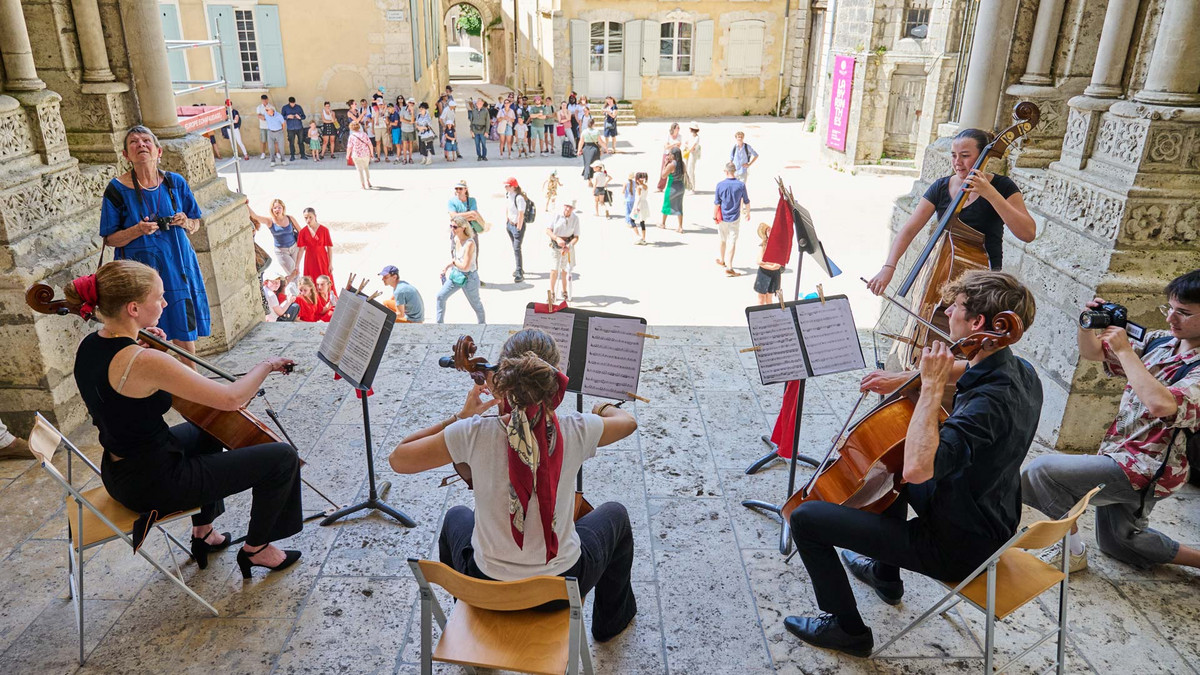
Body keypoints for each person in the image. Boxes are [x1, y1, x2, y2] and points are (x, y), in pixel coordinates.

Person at [785, 270, 1041, 658]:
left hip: (957, 546)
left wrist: (932, 387)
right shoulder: (1021, 372)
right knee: (889, 459)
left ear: (977, 324)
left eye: (955, 307)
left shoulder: (989, 405)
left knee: (806, 518)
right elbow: (968, 370)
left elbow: (919, 469)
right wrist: (909, 377)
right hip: (990, 515)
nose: (946, 312)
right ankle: (887, 577)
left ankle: (847, 630)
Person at [388, 328, 638, 643]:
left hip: (486, 587)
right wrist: (602, 409)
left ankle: (471, 624)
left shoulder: (472, 433)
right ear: (555, 379)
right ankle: (609, 624)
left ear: (502, 377)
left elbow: (398, 459)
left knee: (455, 517)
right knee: (615, 514)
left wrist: (459, 417)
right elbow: (629, 422)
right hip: (561, 589)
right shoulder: (577, 429)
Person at [67, 260, 303, 578]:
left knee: (208, 429)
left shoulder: (93, 345)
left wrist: (143, 345)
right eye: (159, 297)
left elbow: (122, 392)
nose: (164, 303)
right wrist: (267, 365)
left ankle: (203, 531)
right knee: (282, 458)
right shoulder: (144, 360)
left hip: (120, 471)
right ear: (134, 308)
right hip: (156, 482)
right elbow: (232, 399)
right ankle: (257, 549)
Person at [1022, 270, 1200, 572]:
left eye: (1184, 313)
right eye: (1169, 308)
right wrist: (1086, 324)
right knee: (1120, 541)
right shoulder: (1161, 342)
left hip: (1147, 467)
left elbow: (1161, 404)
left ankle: (1071, 552)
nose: (1171, 319)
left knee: (1042, 473)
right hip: (1119, 451)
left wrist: (1124, 349)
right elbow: (1092, 352)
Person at [865, 128, 1037, 294]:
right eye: (954, 155)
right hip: (941, 274)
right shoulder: (941, 187)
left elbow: (1028, 234)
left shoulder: (1003, 186)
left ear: (982, 157)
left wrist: (991, 194)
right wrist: (888, 267)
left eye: (965, 156)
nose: (957, 162)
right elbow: (909, 230)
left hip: (984, 282)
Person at [101, 126, 210, 357]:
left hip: (177, 266)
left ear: (158, 151)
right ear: (126, 155)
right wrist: (137, 230)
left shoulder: (174, 183)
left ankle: (191, 386)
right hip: (140, 274)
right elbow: (110, 238)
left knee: (184, 331)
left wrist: (185, 222)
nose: (141, 145)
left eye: (146, 141)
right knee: (145, 334)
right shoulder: (116, 189)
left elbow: (196, 222)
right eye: (133, 142)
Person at [436, 216, 486, 324]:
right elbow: (457, 259)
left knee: (476, 304)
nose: (452, 229)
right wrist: (447, 267)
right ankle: (439, 325)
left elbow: (465, 266)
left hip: (469, 278)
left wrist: (453, 263)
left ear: (463, 227)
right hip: (456, 275)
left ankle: (482, 325)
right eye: (451, 226)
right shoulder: (456, 239)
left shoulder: (470, 244)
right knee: (440, 296)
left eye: (455, 227)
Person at [250, 199, 301, 282]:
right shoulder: (270, 221)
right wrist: (246, 204)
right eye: (275, 208)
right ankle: (298, 291)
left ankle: (294, 291)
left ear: (283, 208)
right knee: (294, 273)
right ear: (272, 210)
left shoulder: (289, 218)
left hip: (294, 248)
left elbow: (301, 232)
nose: (277, 210)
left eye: (279, 207)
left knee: (295, 272)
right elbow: (256, 217)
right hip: (282, 252)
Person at [714, 162, 750, 277]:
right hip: (735, 217)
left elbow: (717, 203)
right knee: (732, 241)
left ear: (726, 171)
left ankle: (722, 260)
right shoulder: (741, 185)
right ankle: (729, 266)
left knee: (722, 239)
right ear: (734, 171)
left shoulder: (720, 185)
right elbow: (746, 201)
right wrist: (747, 213)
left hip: (723, 217)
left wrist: (714, 216)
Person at [547, 200, 581, 303]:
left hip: (567, 246)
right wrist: (557, 238)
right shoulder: (556, 215)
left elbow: (576, 237)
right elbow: (548, 230)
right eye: (566, 206)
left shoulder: (575, 219)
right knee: (554, 269)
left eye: (570, 207)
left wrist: (569, 246)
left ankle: (564, 290)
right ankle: (552, 292)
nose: (567, 209)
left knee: (565, 270)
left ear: (573, 209)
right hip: (556, 245)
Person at [295, 207, 333, 282]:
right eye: (306, 218)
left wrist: (330, 264)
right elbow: (301, 250)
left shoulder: (324, 230)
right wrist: (297, 265)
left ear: (315, 216)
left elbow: (329, 248)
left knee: (325, 280)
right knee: (310, 281)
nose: (308, 220)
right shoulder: (303, 232)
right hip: (309, 260)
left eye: (310, 217)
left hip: (322, 259)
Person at [503, 177, 529, 283]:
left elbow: (521, 213)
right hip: (510, 224)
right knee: (515, 248)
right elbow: (508, 208)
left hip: (517, 226)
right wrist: (507, 221)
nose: (505, 187)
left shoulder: (519, 198)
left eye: (507, 185)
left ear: (513, 186)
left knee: (517, 249)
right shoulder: (509, 195)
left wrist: (518, 227)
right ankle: (519, 268)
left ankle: (519, 271)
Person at [659, 146, 686, 233]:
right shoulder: (682, 163)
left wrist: (665, 163)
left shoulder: (671, 165)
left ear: (673, 155)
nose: (668, 155)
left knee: (666, 204)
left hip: (672, 186)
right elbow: (684, 173)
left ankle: (663, 223)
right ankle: (680, 227)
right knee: (679, 205)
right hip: (681, 186)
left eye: (670, 153)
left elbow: (663, 175)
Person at [754, 223, 781, 305]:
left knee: (769, 299)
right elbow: (759, 261)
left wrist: (766, 263)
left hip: (773, 274)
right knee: (761, 298)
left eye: (770, 229)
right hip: (764, 274)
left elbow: (778, 264)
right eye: (767, 231)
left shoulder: (778, 243)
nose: (770, 231)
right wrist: (771, 266)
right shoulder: (764, 245)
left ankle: (769, 315)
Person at [347, 122, 374, 190]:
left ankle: (363, 185)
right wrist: (372, 153)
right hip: (366, 154)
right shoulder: (364, 134)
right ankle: (368, 182)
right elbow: (370, 144)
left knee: (360, 170)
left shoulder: (351, 136)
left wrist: (347, 155)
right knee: (366, 168)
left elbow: (349, 147)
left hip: (356, 155)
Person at [656, 123, 682, 191]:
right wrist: (674, 145)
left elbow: (678, 146)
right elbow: (666, 147)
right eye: (677, 128)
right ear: (673, 129)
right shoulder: (668, 136)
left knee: (674, 170)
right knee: (664, 169)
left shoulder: (679, 136)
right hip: (667, 154)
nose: (679, 129)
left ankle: (673, 186)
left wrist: (671, 145)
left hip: (675, 155)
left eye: (679, 128)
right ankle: (660, 187)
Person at [623, 173, 647, 245]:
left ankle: (638, 236)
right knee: (642, 222)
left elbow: (638, 198)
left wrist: (636, 207)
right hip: (645, 205)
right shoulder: (645, 186)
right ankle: (643, 238)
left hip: (639, 206)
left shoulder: (639, 187)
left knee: (632, 220)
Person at [282, 96, 307, 161]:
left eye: (294, 103)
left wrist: (300, 117)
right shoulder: (285, 108)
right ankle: (292, 156)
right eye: (291, 103)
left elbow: (304, 116)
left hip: (299, 127)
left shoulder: (298, 107)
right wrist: (287, 116)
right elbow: (282, 117)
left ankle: (303, 155)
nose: (293, 105)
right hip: (290, 128)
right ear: (289, 102)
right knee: (291, 142)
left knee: (301, 142)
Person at [683, 122, 702, 192]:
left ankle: (692, 187)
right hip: (688, 153)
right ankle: (687, 186)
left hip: (693, 154)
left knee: (691, 170)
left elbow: (692, 147)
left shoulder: (697, 138)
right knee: (686, 170)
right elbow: (686, 143)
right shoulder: (690, 136)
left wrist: (687, 146)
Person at [399, 98, 417, 165]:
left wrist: (412, 113)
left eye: (413, 103)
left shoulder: (414, 110)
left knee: (411, 145)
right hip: (404, 129)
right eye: (410, 102)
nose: (411, 104)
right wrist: (409, 122)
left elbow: (413, 120)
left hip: (411, 130)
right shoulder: (403, 109)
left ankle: (410, 158)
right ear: (408, 103)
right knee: (404, 145)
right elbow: (401, 119)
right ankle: (404, 159)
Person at [255, 94, 271, 159]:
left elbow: (272, 116)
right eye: (263, 100)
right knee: (263, 141)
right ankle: (263, 153)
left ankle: (274, 153)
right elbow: (259, 116)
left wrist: (264, 116)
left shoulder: (271, 107)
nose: (264, 102)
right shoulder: (259, 107)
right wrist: (265, 117)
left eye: (265, 100)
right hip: (262, 126)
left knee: (272, 141)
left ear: (267, 100)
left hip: (270, 126)